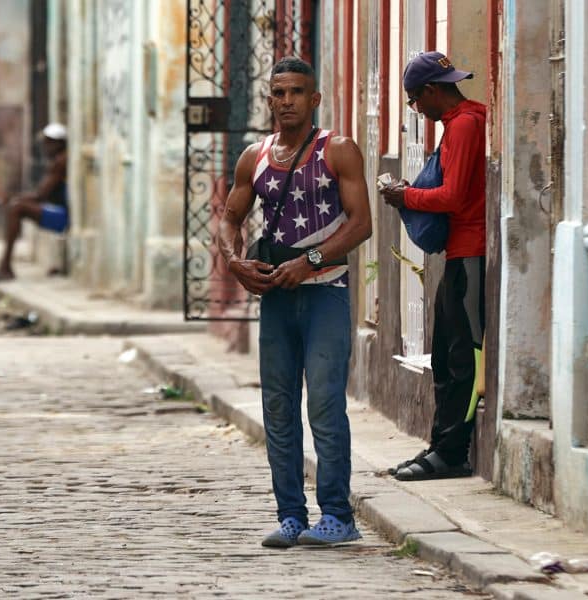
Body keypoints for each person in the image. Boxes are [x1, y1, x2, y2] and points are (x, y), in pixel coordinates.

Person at [218, 57, 372, 547]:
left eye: (297, 93)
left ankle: (338, 516)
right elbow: (229, 218)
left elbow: (361, 223)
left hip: (325, 292)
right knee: (277, 407)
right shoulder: (255, 157)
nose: (287, 101)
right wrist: (235, 261)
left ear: (315, 99)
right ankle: (290, 516)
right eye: (279, 93)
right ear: (270, 99)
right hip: (278, 299)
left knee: (325, 405)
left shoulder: (338, 151)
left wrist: (310, 260)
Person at [380, 51, 486, 481]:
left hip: (470, 252)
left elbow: (454, 197)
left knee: (463, 357)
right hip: (459, 255)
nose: (416, 110)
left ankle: (453, 451)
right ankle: (440, 445)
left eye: (414, 101)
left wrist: (405, 198)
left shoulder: (463, 124)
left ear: (430, 91)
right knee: (445, 355)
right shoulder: (463, 120)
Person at [0, 122, 68, 280]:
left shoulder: (60, 162)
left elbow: (40, 195)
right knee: (15, 206)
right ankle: (5, 265)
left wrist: (9, 198)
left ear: (59, 143)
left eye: (49, 142)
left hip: (64, 218)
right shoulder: (57, 160)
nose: (46, 146)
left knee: (17, 208)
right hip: (59, 210)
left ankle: (5, 265)